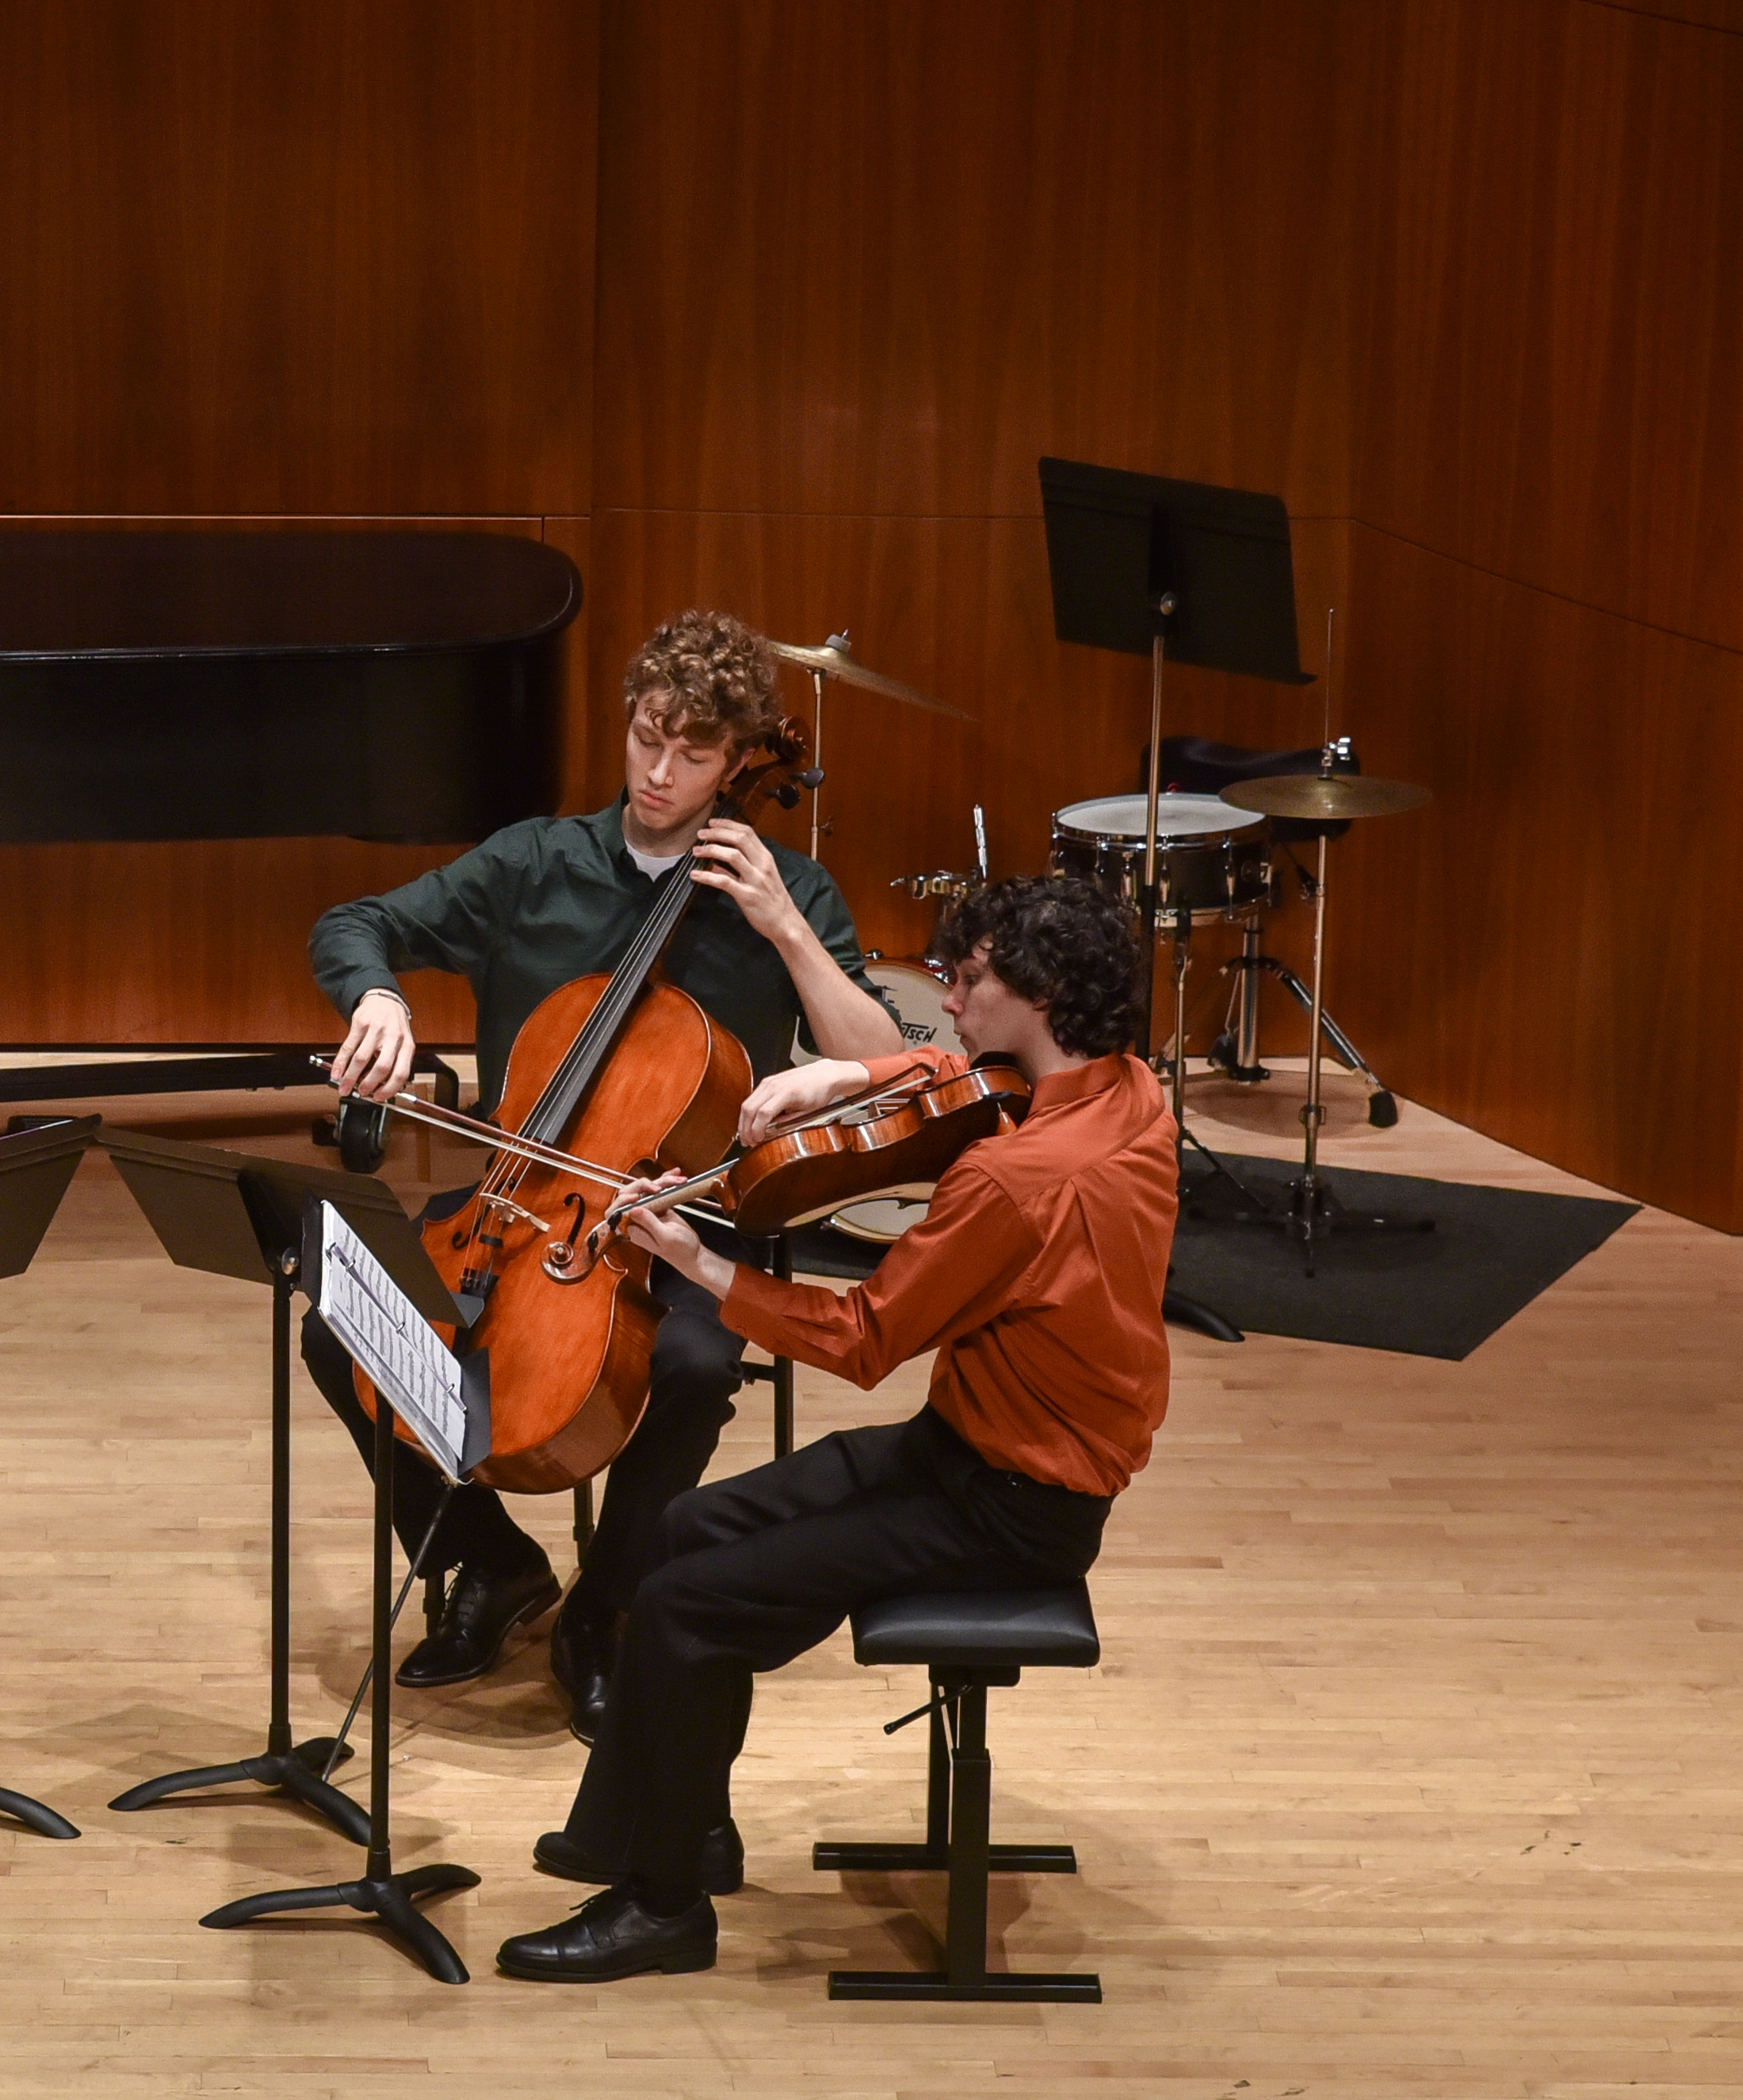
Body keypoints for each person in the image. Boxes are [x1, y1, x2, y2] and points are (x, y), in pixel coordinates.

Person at [492, 873, 1173, 1981]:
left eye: (972, 980)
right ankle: (666, 1824)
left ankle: (662, 1908)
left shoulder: (1012, 1184)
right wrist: (850, 1076)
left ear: (1040, 996)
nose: (947, 1001)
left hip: (1007, 1506)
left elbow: (862, 1339)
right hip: (963, 1449)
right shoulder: (1129, 1092)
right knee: (685, 1530)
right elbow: (968, 1075)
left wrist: (695, 1259)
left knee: (679, 1605)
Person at [310, 609, 908, 1734]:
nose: (660, 771)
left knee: (688, 1367)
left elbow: (876, 1065)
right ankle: (485, 1561)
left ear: (740, 763)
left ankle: (608, 1605)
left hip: (691, 1223)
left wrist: (784, 928)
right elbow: (356, 921)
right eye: (646, 737)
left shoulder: (786, 891)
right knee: (338, 1320)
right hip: (521, 1201)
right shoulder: (535, 863)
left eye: (692, 753)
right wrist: (379, 996)